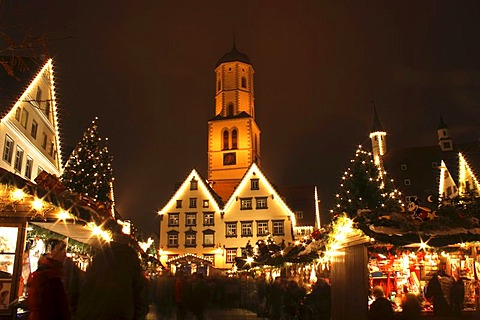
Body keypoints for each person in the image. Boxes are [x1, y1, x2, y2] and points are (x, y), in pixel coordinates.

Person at [76, 220, 148, 320]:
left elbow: (89, 283)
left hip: (98, 310)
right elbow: (138, 290)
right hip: (121, 311)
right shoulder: (130, 256)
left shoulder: (101, 253)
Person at [26, 238, 70, 320]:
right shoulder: (51, 276)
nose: (65, 255)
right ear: (52, 252)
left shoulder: (44, 272)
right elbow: (57, 307)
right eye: (62, 251)